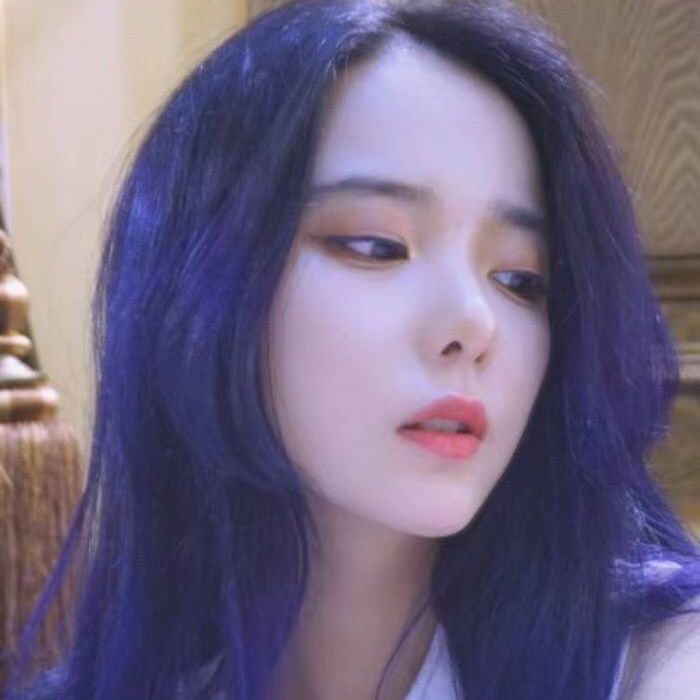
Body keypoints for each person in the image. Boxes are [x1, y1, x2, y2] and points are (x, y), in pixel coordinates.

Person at [5, 0, 700, 698]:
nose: (474, 321)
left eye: (521, 280)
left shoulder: (661, 666)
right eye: (375, 246)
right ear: (200, 281)